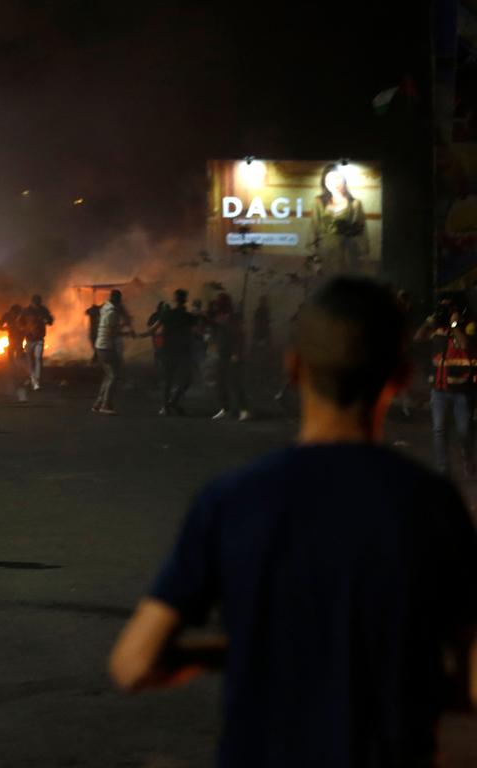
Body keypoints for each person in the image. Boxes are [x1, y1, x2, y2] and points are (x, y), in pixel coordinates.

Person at [109, 276, 477, 768]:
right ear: (402, 376)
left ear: (294, 368)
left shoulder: (233, 499)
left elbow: (134, 663)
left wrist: (249, 645)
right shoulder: (432, 503)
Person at [414, 294, 476, 476]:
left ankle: (467, 458)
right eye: (442, 307)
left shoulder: (469, 325)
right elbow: (418, 338)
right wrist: (429, 321)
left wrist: (455, 325)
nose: (445, 311)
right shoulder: (437, 327)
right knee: (439, 430)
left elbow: (466, 345)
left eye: (449, 308)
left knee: (464, 431)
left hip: (461, 390)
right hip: (439, 390)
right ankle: (443, 468)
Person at [311, 163, 369, 274]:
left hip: (348, 255)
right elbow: (313, 230)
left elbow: (361, 233)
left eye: (337, 178)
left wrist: (362, 256)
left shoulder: (355, 204)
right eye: (329, 179)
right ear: (324, 181)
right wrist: (314, 258)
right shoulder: (318, 202)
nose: (334, 183)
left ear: (344, 180)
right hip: (325, 254)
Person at [148, 290, 198, 415]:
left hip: (168, 351)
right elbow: (197, 332)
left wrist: (140, 335)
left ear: (174, 299)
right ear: (185, 300)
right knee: (186, 380)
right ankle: (173, 401)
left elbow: (153, 328)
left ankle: (165, 407)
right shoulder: (188, 317)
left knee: (168, 380)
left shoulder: (167, 314)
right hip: (183, 352)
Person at [92, 290, 134, 415]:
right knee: (114, 375)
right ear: (118, 300)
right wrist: (126, 333)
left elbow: (111, 327)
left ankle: (99, 403)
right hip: (106, 347)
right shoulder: (112, 313)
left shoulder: (105, 308)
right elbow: (112, 333)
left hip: (101, 346)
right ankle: (105, 404)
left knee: (109, 375)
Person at [209, 293, 250, 422]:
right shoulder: (219, 318)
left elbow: (238, 337)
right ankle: (225, 409)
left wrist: (236, 353)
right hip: (221, 355)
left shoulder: (233, 319)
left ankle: (244, 410)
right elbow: (216, 334)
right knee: (220, 383)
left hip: (232, 356)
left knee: (235, 383)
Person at [21, 295, 54, 390]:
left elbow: (50, 321)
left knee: (38, 359)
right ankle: (33, 380)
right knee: (31, 361)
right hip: (29, 339)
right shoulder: (26, 310)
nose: (37, 304)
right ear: (32, 302)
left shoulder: (44, 310)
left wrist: (47, 320)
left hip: (39, 339)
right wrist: (24, 329)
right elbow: (19, 321)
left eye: (38, 302)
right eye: (35, 302)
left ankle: (36, 382)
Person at [0, 304, 29, 401]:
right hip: (12, 339)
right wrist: (7, 328)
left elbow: (27, 326)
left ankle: (20, 370)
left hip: (19, 339)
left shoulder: (23, 316)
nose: (16, 314)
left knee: (19, 355)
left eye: (17, 312)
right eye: (14, 312)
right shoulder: (7, 316)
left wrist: (23, 329)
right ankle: (13, 371)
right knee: (11, 357)